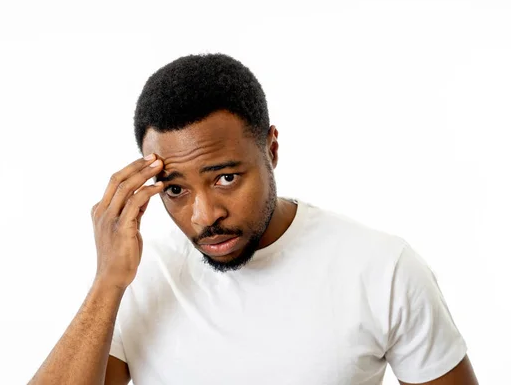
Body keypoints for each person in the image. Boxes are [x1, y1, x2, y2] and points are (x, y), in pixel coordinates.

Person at [29, 54, 479, 385]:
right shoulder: (139, 280)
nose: (205, 216)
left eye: (225, 177)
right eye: (175, 189)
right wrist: (107, 283)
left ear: (272, 149)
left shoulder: (382, 269)